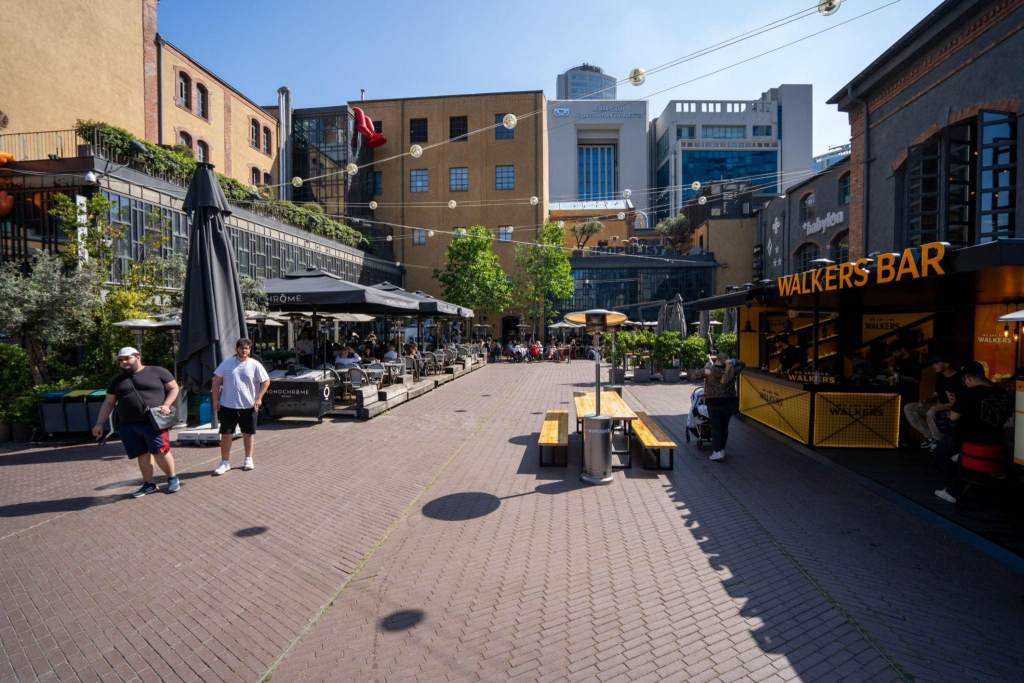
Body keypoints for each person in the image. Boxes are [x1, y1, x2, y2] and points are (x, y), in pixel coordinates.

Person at [92, 347, 180, 497]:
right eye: (121, 360)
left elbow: (173, 388)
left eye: (127, 358)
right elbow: (108, 403)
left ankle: (172, 478)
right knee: (142, 454)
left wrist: (166, 405)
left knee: (160, 451)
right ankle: (149, 484)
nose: (124, 362)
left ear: (138, 357)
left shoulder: (157, 371)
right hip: (128, 424)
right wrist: (99, 423)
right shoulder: (118, 380)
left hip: (153, 422)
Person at [934, 361, 1013, 503]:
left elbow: (954, 416)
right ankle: (962, 475)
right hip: (994, 438)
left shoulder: (970, 392)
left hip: (968, 437)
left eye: (964, 380)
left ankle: (956, 487)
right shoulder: (1004, 394)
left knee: (940, 453)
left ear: (968, 378)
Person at [211, 338, 271, 475]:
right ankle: (224, 462)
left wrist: (259, 398)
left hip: (248, 405)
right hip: (227, 404)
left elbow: (266, 381)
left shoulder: (255, 364)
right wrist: (215, 399)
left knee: (248, 433)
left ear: (250, 350)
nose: (244, 351)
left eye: (247, 348)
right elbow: (216, 381)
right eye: (242, 348)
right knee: (226, 434)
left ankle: (248, 459)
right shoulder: (226, 363)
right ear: (236, 349)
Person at [692, 349, 745, 461]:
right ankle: (722, 449)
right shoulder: (732, 370)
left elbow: (694, 375)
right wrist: (732, 361)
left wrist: (704, 368)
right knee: (724, 427)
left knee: (715, 427)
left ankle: (717, 451)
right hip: (730, 402)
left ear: (717, 360)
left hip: (714, 402)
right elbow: (743, 364)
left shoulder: (710, 370)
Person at [904, 354, 960, 448]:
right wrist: (927, 400)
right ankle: (930, 436)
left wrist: (937, 406)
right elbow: (936, 394)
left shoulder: (958, 378)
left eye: (936, 363)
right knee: (909, 408)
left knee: (932, 411)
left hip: (952, 406)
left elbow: (959, 402)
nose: (933, 365)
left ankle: (938, 441)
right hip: (938, 404)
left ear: (946, 364)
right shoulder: (940, 377)